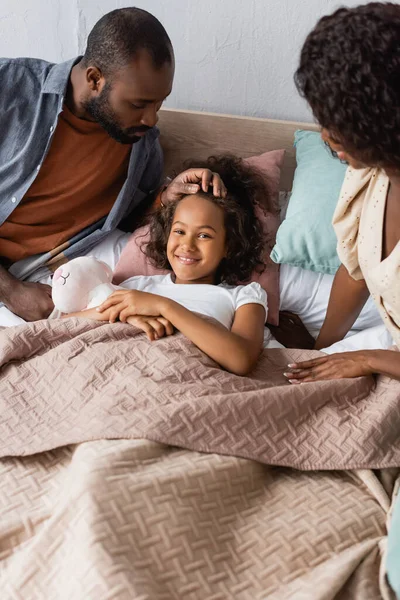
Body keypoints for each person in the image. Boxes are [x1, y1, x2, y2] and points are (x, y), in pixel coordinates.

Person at [0, 7, 225, 323]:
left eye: (159, 103)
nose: (151, 119)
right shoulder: (10, 88)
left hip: (56, 276)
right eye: (138, 104)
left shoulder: (141, 144)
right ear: (94, 79)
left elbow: (128, 221)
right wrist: (11, 291)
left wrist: (165, 199)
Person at [65, 155, 271, 376]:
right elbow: (63, 324)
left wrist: (164, 307)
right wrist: (122, 315)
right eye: (179, 231)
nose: (187, 245)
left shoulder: (245, 297)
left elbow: (241, 359)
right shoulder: (136, 286)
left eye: (203, 235)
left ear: (229, 246)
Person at [283, 2, 400, 383]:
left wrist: (369, 360)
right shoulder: (370, 176)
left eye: (333, 123)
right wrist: (322, 350)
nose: (325, 136)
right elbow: (358, 272)